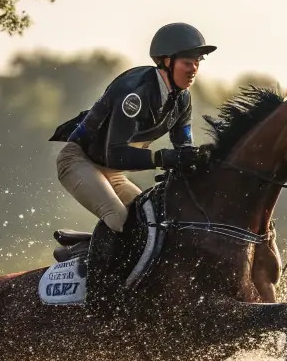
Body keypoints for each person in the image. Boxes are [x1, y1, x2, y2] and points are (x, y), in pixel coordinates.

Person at [51, 23, 216, 233]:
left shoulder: (182, 99)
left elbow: (184, 149)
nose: (194, 69)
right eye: (187, 63)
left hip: (112, 172)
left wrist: (201, 161)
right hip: (78, 161)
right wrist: (162, 158)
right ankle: (94, 264)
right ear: (167, 62)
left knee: (153, 222)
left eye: (197, 62)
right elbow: (116, 154)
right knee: (118, 218)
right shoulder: (135, 95)